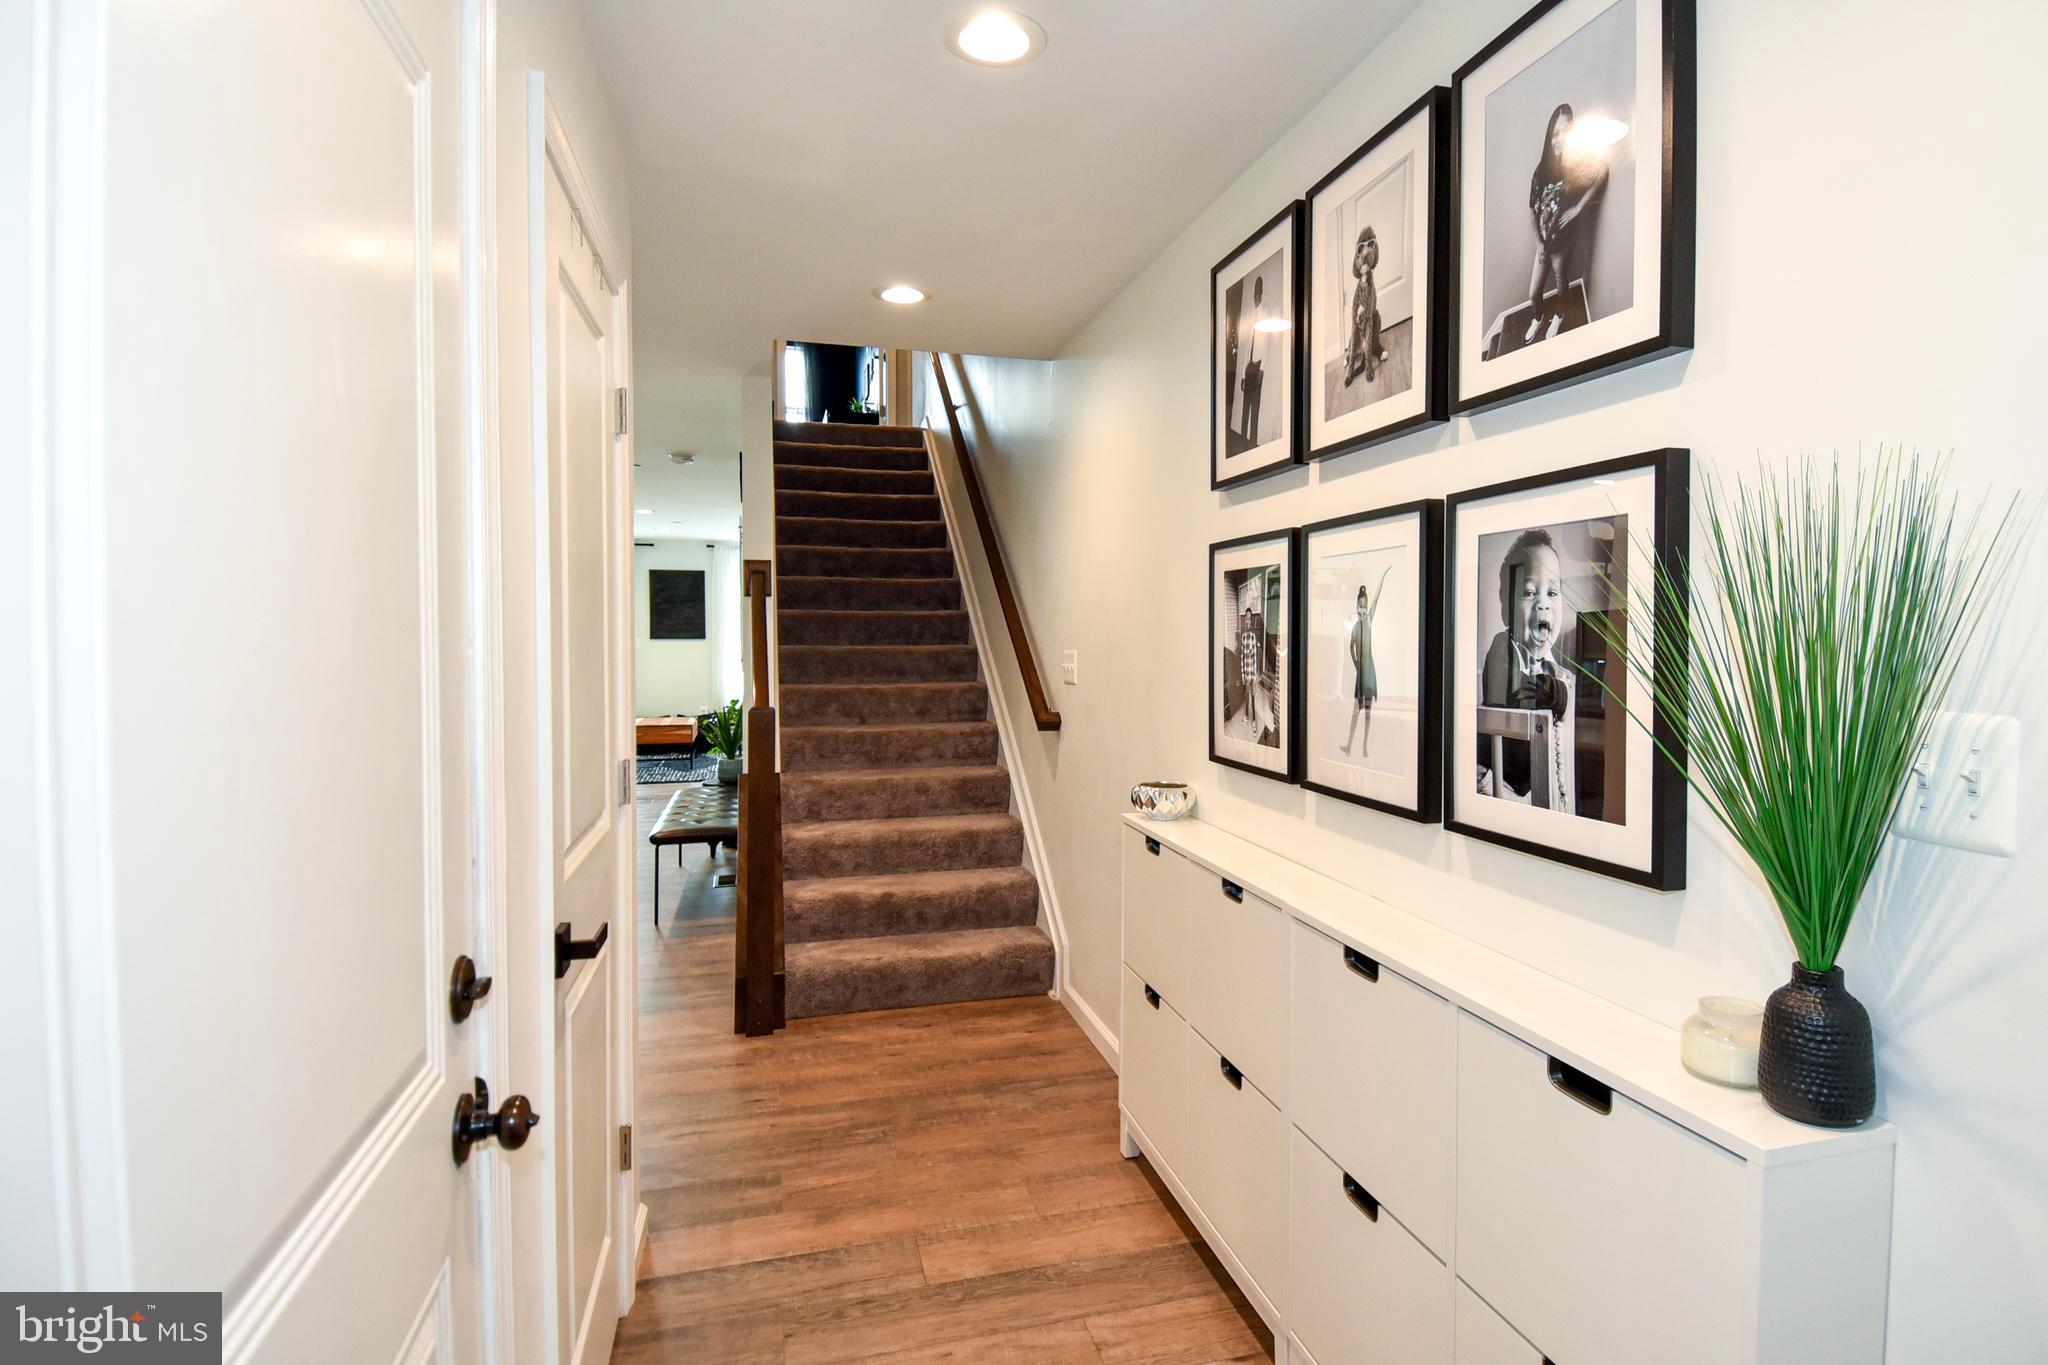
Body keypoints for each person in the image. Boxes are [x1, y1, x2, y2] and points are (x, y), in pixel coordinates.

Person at [1477, 529, 1573, 810]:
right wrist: (1548, 692)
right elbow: (1514, 694)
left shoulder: (1556, 669)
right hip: (1496, 778)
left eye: (1552, 593)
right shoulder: (1501, 647)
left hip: (1535, 779)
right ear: (1506, 607)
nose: (1543, 603)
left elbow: (1565, 697)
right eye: (1530, 592)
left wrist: (1558, 691)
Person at [1523, 103, 1610, 345]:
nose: (1559, 139)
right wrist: (1539, 244)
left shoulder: (1576, 167)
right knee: (1533, 292)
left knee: (1562, 282)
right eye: (1555, 133)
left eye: (1566, 132)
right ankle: (1538, 318)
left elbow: (1602, 171)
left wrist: (1578, 208)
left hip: (1564, 243)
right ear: (1549, 135)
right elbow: (1531, 211)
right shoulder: (1540, 172)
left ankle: (1559, 316)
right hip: (1543, 245)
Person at [1339, 566, 1392, 757]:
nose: (1362, 609)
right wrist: (1356, 664)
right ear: (1356, 607)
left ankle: (1364, 747)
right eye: (1360, 606)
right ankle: (1349, 745)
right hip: (1361, 674)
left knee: (1368, 712)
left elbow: (1376, 597)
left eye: (1364, 606)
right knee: (1356, 711)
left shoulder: (1369, 620)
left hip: (1369, 674)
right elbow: (1350, 648)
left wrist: (1382, 576)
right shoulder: (1354, 627)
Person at [1343, 225, 1386, 387]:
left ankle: (1371, 356)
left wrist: (1368, 363)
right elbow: (1354, 326)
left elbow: (1369, 322)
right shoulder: (1357, 293)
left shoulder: (1371, 290)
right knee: (1354, 327)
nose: (1366, 251)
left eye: (1371, 245)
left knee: (1373, 319)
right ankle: (1351, 358)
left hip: (1369, 324)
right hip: (1357, 328)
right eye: (1361, 248)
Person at [1240, 276, 1266, 444]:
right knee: (1245, 407)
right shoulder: (1251, 317)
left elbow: (1267, 345)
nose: (1256, 296)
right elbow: (1247, 346)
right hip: (1249, 367)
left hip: (1258, 367)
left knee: (1255, 407)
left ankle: (1252, 442)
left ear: (1261, 293)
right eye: (1254, 293)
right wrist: (1243, 374)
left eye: (1258, 292)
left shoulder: (1266, 313)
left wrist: (1262, 370)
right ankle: (1242, 439)